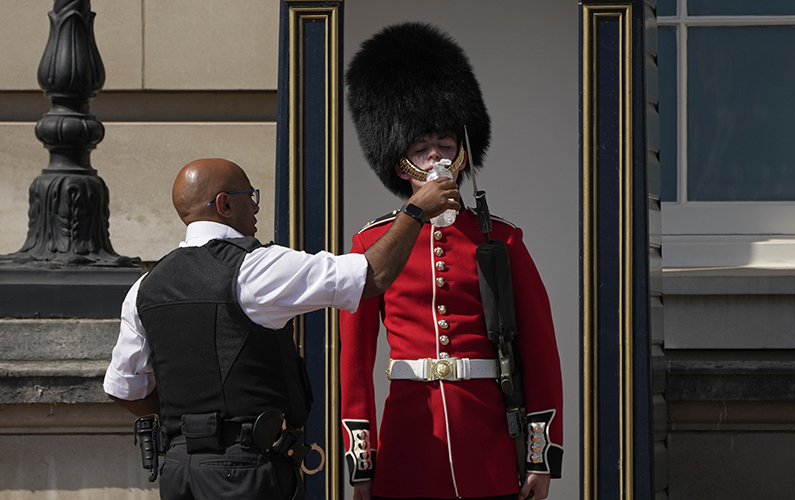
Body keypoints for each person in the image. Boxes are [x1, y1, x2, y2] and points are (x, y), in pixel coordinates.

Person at [103, 157, 460, 500]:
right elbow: (373, 275)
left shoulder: (145, 286)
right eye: (250, 197)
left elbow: (123, 389)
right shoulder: (256, 268)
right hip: (246, 471)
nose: (257, 209)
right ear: (224, 204)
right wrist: (414, 212)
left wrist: (191, 424)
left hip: (180, 472)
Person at [340, 22, 564, 500]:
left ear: (462, 154)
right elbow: (355, 364)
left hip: (485, 438)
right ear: (403, 164)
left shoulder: (501, 239)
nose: (436, 157)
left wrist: (538, 455)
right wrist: (362, 461)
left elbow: (540, 353)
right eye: (421, 148)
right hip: (410, 435)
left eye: (444, 144)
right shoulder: (372, 242)